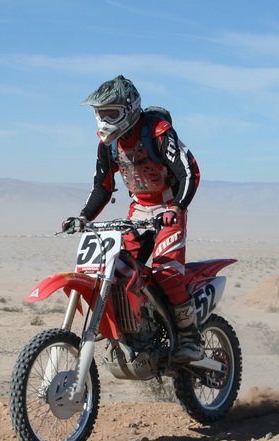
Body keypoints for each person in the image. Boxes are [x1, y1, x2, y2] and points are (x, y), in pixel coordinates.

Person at [61, 75, 203, 363]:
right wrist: (83, 216)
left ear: (130, 109)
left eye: (111, 113)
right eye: (100, 114)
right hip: (138, 210)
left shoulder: (158, 132)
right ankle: (132, 329)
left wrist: (176, 207)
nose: (104, 121)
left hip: (167, 208)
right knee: (118, 271)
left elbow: (189, 171)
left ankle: (190, 338)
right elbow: (102, 187)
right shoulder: (108, 144)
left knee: (166, 273)